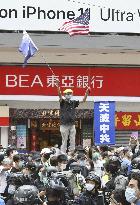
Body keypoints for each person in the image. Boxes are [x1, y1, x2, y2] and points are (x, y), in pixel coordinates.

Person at [55, 79, 91, 154]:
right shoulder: (63, 102)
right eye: (67, 93)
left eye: (70, 93)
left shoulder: (73, 102)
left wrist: (86, 93)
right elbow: (59, 95)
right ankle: (63, 153)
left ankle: (71, 152)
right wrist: (58, 85)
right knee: (64, 140)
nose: (69, 94)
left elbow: (83, 100)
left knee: (72, 139)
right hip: (64, 124)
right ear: (65, 95)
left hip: (72, 124)